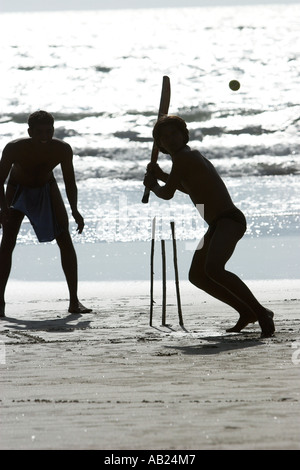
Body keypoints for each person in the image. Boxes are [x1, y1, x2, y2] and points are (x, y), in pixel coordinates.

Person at [143, 115, 275, 337]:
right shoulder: (184, 160)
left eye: (174, 133)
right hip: (216, 224)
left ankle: (261, 313)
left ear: (184, 134)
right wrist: (162, 176)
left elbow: (167, 194)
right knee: (197, 275)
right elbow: (190, 188)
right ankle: (246, 311)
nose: (171, 139)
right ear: (160, 145)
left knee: (213, 269)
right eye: (164, 137)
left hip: (229, 219)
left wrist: (154, 185)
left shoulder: (185, 157)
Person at [0, 110, 92, 317]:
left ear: (53, 129)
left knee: (65, 240)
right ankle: (0, 301)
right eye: (39, 131)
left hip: (46, 188)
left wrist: (75, 209)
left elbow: (70, 181)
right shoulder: (14, 148)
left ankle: (74, 301)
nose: (44, 136)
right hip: (18, 190)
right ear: (30, 131)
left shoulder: (62, 149)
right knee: (7, 242)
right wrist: (3, 208)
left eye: (48, 131)